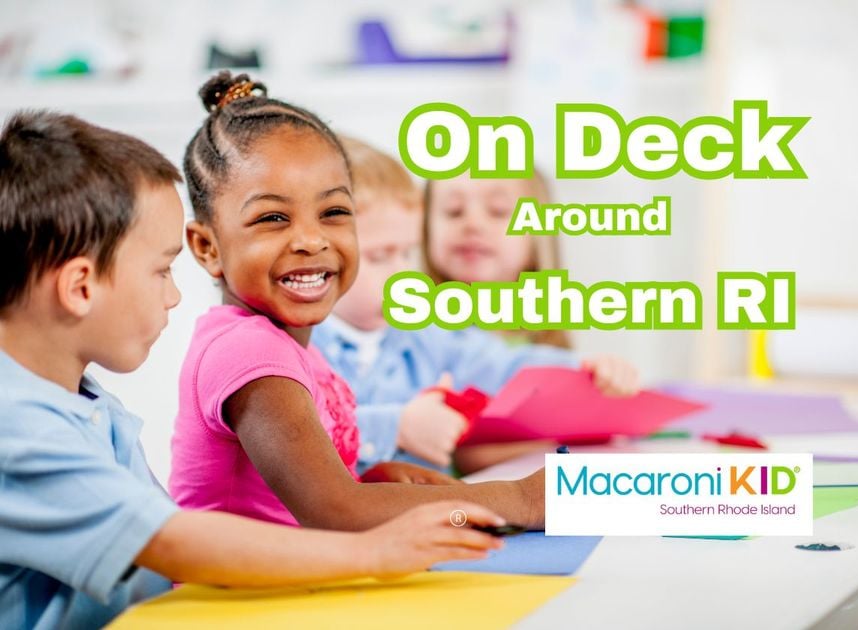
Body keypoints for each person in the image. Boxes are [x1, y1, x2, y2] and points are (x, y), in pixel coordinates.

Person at [0, 110, 505, 630]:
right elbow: (169, 540)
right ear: (80, 287)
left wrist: (368, 486)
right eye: (161, 270)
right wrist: (374, 552)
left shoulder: (82, 402)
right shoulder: (18, 429)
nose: (174, 296)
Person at [170, 72, 545, 532]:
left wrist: (375, 480)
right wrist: (520, 498)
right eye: (272, 217)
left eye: (334, 213)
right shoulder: (249, 354)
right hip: (238, 601)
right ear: (207, 246)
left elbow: (314, 495)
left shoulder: (296, 350)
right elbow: (334, 511)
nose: (311, 239)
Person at [314, 138, 640, 474]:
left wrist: (585, 369)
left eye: (408, 253)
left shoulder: (425, 329)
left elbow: (502, 365)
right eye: (381, 256)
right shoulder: (300, 343)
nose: (402, 274)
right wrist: (396, 427)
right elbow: (296, 432)